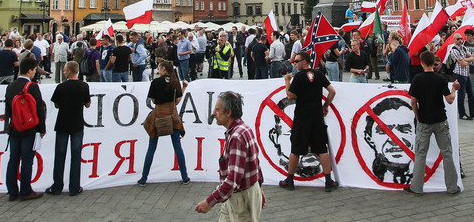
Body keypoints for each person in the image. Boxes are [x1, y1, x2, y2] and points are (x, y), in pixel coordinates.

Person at [195, 91, 265, 220]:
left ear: (228, 113)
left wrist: (209, 202)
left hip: (241, 198)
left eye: (217, 109)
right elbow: (255, 162)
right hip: (238, 194)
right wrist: (258, 187)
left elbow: (233, 179)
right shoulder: (244, 129)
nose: (214, 113)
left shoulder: (237, 136)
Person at [403, 50, 461, 196]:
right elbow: (449, 99)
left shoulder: (417, 79)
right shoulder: (440, 78)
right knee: (447, 152)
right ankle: (452, 187)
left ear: (422, 63)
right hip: (440, 119)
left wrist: (417, 115)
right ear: (434, 64)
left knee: (421, 154)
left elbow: (413, 101)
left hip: (424, 120)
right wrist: (454, 90)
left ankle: (416, 187)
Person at [278, 51, 338, 191]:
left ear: (304, 61)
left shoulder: (298, 77)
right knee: (321, 148)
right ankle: (328, 181)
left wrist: (287, 80)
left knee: (296, 149)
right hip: (317, 116)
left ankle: (290, 180)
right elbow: (332, 91)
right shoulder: (318, 74)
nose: (295, 63)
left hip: (302, 116)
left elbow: (290, 96)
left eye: (297, 61)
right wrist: (325, 105)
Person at [138, 60, 190, 185]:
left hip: (159, 115)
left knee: (151, 147)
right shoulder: (174, 82)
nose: (158, 70)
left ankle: (144, 178)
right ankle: (185, 176)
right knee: (177, 147)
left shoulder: (155, 82)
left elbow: (154, 101)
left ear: (164, 70)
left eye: (160, 68)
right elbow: (177, 101)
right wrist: (184, 88)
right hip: (172, 115)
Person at [4, 55, 46, 201]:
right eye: (34, 70)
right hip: (30, 128)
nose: (35, 73)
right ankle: (26, 190)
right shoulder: (32, 87)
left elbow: (8, 109)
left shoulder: (11, 86)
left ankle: (12, 191)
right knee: (27, 159)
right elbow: (39, 109)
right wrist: (42, 128)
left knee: (13, 159)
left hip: (15, 128)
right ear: (29, 71)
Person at [46, 61, 91, 196]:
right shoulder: (84, 86)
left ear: (70, 71)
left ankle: (57, 186)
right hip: (77, 123)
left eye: (65, 70)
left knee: (60, 155)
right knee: (76, 156)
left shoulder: (61, 87)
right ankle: (74, 187)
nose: (64, 72)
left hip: (63, 123)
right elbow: (88, 104)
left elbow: (56, 104)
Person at [446, 34, 474, 119]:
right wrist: (466, 60)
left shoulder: (464, 48)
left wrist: (464, 59)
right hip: (459, 74)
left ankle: (473, 112)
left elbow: (472, 58)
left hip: (467, 73)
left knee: (471, 93)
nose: (460, 40)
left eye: (461, 38)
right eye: (458, 39)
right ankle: (462, 114)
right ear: (454, 40)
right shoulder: (454, 50)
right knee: (461, 95)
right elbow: (463, 63)